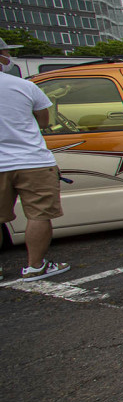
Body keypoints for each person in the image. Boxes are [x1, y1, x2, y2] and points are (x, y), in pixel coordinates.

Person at [0, 56, 70, 282]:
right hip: (32, 160)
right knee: (39, 215)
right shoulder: (24, 86)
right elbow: (43, 120)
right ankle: (35, 266)